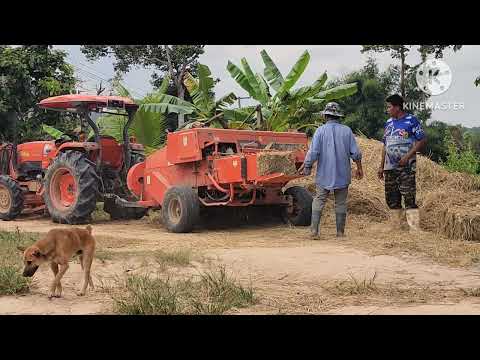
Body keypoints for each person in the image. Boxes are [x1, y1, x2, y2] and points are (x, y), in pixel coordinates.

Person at [299, 102, 363, 240]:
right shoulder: (347, 131)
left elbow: (313, 152)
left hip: (324, 174)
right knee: (340, 202)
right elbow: (356, 153)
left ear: (325, 116)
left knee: (319, 200)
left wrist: (307, 166)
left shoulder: (320, 131)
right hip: (342, 173)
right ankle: (340, 233)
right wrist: (359, 168)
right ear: (338, 116)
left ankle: (314, 232)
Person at [377, 94, 426, 232]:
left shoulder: (412, 120)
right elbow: (384, 145)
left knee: (409, 196)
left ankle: (414, 229)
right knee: (392, 197)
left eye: (389, 107)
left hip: (406, 167)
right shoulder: (388, 123)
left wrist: (408, 156)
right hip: (389, 168)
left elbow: (421, 140)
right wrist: (381, 167)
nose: (387, 109)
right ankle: (396, 227)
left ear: (397, 107)